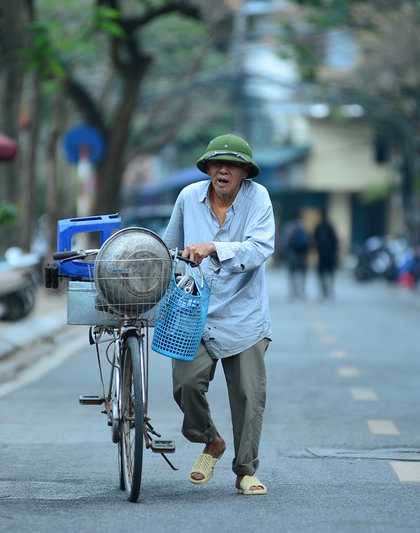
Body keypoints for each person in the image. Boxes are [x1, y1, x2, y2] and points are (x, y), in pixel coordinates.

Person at [162, 133, 274, 496]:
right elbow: (171, 248)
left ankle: (245, 471)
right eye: (216, 163)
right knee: (185, 384)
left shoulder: (259, 198)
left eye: (232, 165)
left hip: (245, 314)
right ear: (208, 168)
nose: (223, 170)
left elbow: (259, 248)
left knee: (248, 395)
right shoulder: (187, 198)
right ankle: (210, 439)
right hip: (196, 313)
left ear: (245, 172)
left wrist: (214, 248)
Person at [281, 211, 309, 300]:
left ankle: (293, 291)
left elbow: (285, 241)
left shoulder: (288, 227)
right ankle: (301, 291)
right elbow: (308, 241)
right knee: (302, 273)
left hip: (292, 254)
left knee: (292, 273)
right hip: (302, 255)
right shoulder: (303, 226)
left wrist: (285, 252)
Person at [313, 210, 339, 299]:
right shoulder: (330, 228)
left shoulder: (319, 228)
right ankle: (330, 289)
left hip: (322, 255)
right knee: (331, 273)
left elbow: (314, 240)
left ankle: (323, 290)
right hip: (330, 255)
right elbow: (335, 242)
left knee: (321, 273)